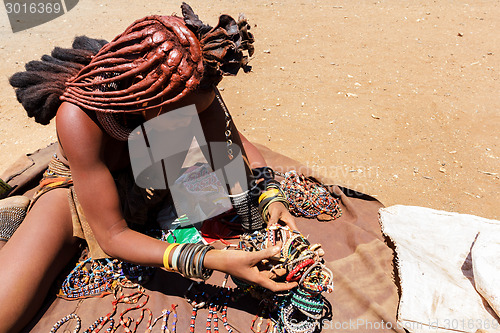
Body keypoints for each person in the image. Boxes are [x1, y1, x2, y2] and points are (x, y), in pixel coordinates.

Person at [0, 4, 298, 332]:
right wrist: (209, 259)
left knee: (221, 194)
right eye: (181, 117)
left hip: (155, 163)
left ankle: (173, 197)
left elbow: (233, 144)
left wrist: (270, 194)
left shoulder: (190, 85)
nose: (189, 124)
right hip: (84, 189)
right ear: (148, 100)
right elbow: (113, 234)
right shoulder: (78, 118)